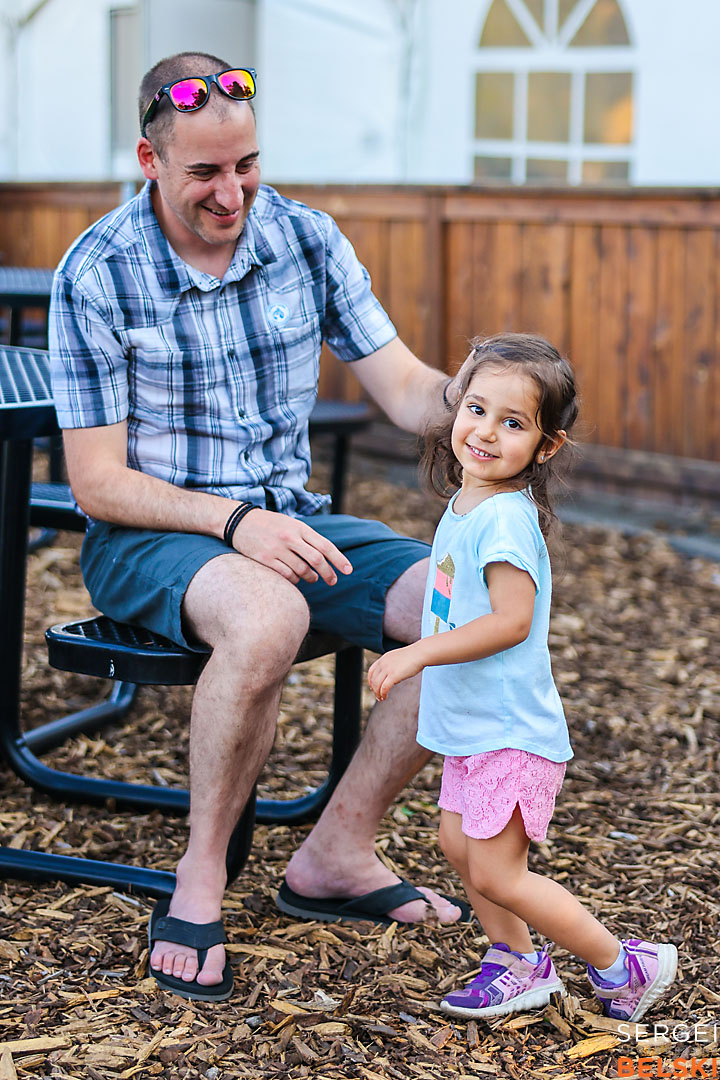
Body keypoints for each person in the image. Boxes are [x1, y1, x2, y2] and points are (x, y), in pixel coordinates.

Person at [48, 50, 472, 1002]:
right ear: (151, 161)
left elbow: (405, 388)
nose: (232, 192)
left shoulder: (305, 239)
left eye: (245, 165)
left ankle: (335, 854)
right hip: (150, 536)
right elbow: (95, 480)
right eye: (204, 172)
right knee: (269, 615)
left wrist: (482, 403)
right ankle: (201, 872)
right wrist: (232, 523)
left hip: (290, 523)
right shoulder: (99, 272)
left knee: (467, 608)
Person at [368, 333, 678, 1022]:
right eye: (476, 409)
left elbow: (511, 621)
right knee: (457, 846)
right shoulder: (467, 504)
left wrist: (417, 654)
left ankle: (623, 966)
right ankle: (515, 960)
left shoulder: (505, 521)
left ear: (546, 447)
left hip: (511, 730)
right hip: (473, 726)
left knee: (497, 870)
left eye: (512, 423)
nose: (484, 431)